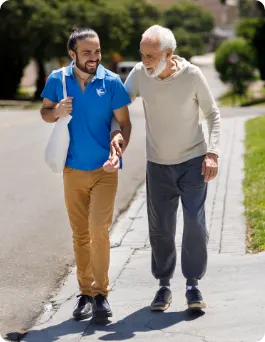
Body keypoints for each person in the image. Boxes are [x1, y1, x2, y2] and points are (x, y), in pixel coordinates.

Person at [111, 25, 220, 312]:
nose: (145, 61)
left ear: (168, 54)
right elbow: (117, 108)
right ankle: (163, 285)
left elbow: (213, 115)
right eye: (142, 54)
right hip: (158, 164)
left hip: (194, 161)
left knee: (195, 222)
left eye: (151, 55)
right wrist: (115, 133)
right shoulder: (139, 75)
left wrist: (213, 154)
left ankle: (193, 284)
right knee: (161, 227)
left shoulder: (192, 76)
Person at [40, 27, 131, 321]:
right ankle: (85, 293)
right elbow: (44, 112)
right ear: (73, 54)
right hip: (72, 169)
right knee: (80, 235)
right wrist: (56, 111)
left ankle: (101, 294)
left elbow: (124, 123)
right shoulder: (58, 80)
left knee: (98, 231)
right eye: (87, 52)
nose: (94, 57)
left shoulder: (112, 81)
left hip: (105, 169)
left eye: (97, 51)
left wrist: (119, 147)